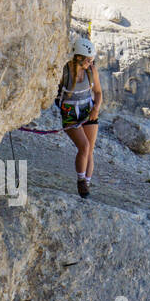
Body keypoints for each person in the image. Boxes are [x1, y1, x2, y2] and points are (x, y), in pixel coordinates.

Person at [56, 33, 102, 197]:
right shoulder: (65, 71)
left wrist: (96, 108)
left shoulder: (91, 70)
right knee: (84, 146)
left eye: (91, 60)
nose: (90, 63)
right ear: (79, 57)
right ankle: (81, 181)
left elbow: (97, 92)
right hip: (70, 114)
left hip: (88, 112)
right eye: (88, 60)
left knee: (90, 150)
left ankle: (86, 186)